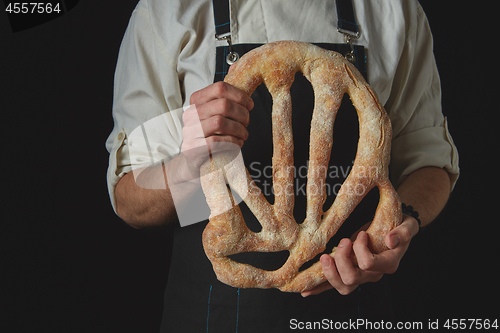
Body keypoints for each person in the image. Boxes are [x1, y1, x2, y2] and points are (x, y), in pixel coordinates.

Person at [105, 0, 459, 331]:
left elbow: (428, 163)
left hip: (354, 308)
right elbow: (130, 200)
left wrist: (401, 224)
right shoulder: (171, 11)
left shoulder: (392, 10)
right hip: (214, 313)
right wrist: (190, 162)